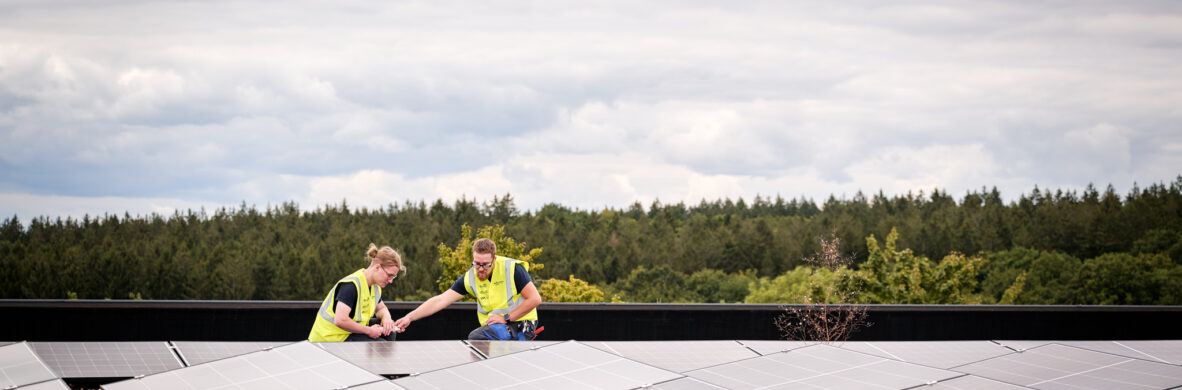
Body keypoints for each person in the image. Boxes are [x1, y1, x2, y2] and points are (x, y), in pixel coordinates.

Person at [394, 238, 542, 340]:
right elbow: (440, 300)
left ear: (494, 260)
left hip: (522, 324)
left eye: (485, 264)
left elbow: (535, 299)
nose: (481, 269)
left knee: (477, 338)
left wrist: (506, 318)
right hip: (497, 326)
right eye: (477, 263)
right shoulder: (470, 278)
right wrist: (409, 317)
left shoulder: (512, 269)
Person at [308, 243, 405, 342]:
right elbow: (340, 321)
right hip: (330, 338)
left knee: (389, 331)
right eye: (389, 275)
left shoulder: (375, 286)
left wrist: (387, 318)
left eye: (393, 277)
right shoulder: (351, 286)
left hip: (348, 332)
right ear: (377, 267)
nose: (390, 281)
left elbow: (381, 309)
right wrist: (368, 331)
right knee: (381, 345)